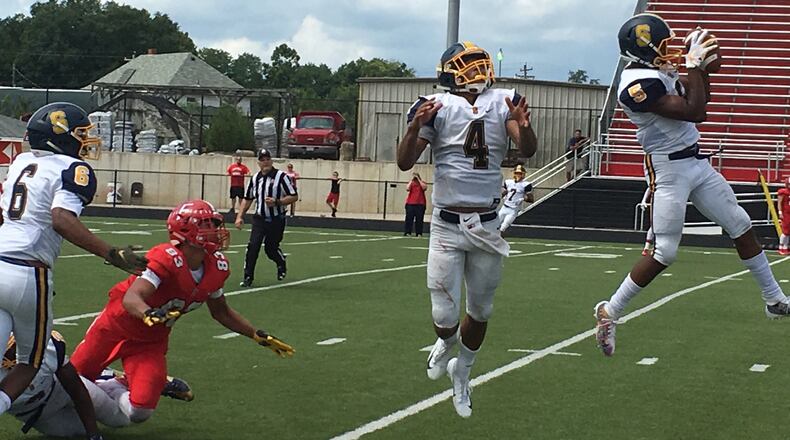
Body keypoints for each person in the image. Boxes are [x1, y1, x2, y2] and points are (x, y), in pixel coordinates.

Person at [594, 13, 790, 357]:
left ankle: (774, 299)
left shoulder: (657, 73)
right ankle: (610, 311)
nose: (669, 51)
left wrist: (702, 71)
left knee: (741, 225)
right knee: (665, 252)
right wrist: (694, 67)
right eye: (663, 45)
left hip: (696, 162)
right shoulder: (636, 84)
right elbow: (694, 111)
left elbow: (701, 99)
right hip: (668, 170)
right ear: (644, 49)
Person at [397, 41, 537, 418]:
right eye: (468, 64)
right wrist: (414, 126)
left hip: (486, 223)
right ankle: (445, 343)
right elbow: (404, 162)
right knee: (445, 317)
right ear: (450, 73)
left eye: (479, 63)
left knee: (481, 309)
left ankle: (464, 371)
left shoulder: (502, 102)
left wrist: (524, 127)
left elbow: (527, 149)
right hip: (447, 225)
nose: (477, 70)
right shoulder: (435, 106)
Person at [70, 200, 295, 424]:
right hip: (115, 328)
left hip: (150, 342)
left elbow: (221, 312)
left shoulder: (216, 266)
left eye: (214, 224)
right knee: (71, 383)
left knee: (139, 412)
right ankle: (103, 379)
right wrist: (148, 313)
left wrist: (255, 334)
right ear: (185, 231)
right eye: (206, 224)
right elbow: (132, 298)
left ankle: (114, 382)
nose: (214, 230)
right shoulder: (166, 258)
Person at [0, 102, 148, 420]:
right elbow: (62, 219)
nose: (85, 140)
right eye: (80, 133)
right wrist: (111, 253)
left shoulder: (21, 161)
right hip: (29, 273)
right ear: (59, 135)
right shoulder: (72, 168)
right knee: (30, 362)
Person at [0, 331, 110, 439]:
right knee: (80, 430)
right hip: (37, 414)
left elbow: (76, 389)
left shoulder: (43, 346)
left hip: (60, 389)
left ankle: (105, 380)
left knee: (115, 417)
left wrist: (94, 436)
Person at [235, 149, 298, 287]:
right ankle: (248, 277)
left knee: (271, 249)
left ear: (271, 160)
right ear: (258, 162)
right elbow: (248, 198)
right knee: (253, 246)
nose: (265, 162)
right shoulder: (255, 178)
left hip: (276, 219)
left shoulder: (281, 176)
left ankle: (280, 262)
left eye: (267, 159)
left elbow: (294, 196)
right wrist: (239, 216)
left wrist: (277, 202)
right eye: (262, 160)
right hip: (260, 219)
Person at [498, 164, 534, 234]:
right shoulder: (508, 182)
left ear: (523, 174)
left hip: (513, 210)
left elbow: (531, 199)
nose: (518, 175)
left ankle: (499, 239)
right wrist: (499, 198)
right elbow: (504, 193)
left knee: (503, 227)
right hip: (504, 207)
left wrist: (523, 199)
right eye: (517, 173)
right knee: (495, 225)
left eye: (520, 173)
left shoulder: (526, 185)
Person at [404, 172, 428, 236]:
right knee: (409, 219)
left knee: (419, 219)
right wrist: (411, 180)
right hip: (410, 203)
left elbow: (424, 188)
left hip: (420, 204)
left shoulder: (422, 182)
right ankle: (408, 232)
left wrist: (419, 179)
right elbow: (407, 188)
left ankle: (419, 233)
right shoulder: (411, 183)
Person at [639, 187, 655, 256]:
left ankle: (654, 247)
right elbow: (650, 187)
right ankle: (647, 247)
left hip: (667, 203)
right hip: (656, 202)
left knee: (661, 226)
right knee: (654, 225)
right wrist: (643, 200)